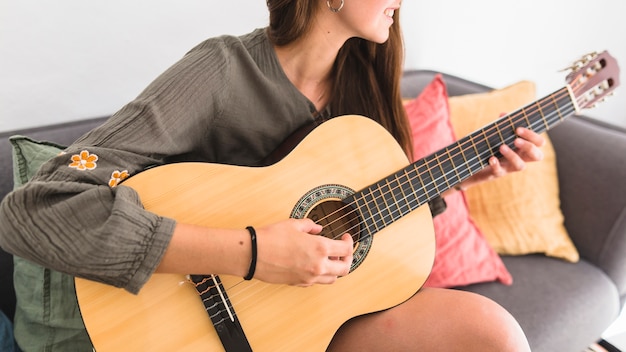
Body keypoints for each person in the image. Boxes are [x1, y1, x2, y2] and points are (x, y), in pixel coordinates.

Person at [0, 1, 546, 350]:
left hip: (314, 317)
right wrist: (253, 252)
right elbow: (36, 209)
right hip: (205, 321)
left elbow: (359, 222)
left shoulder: (366, 84)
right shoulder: (220, 72)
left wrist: (456, 178)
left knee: (495, 336)